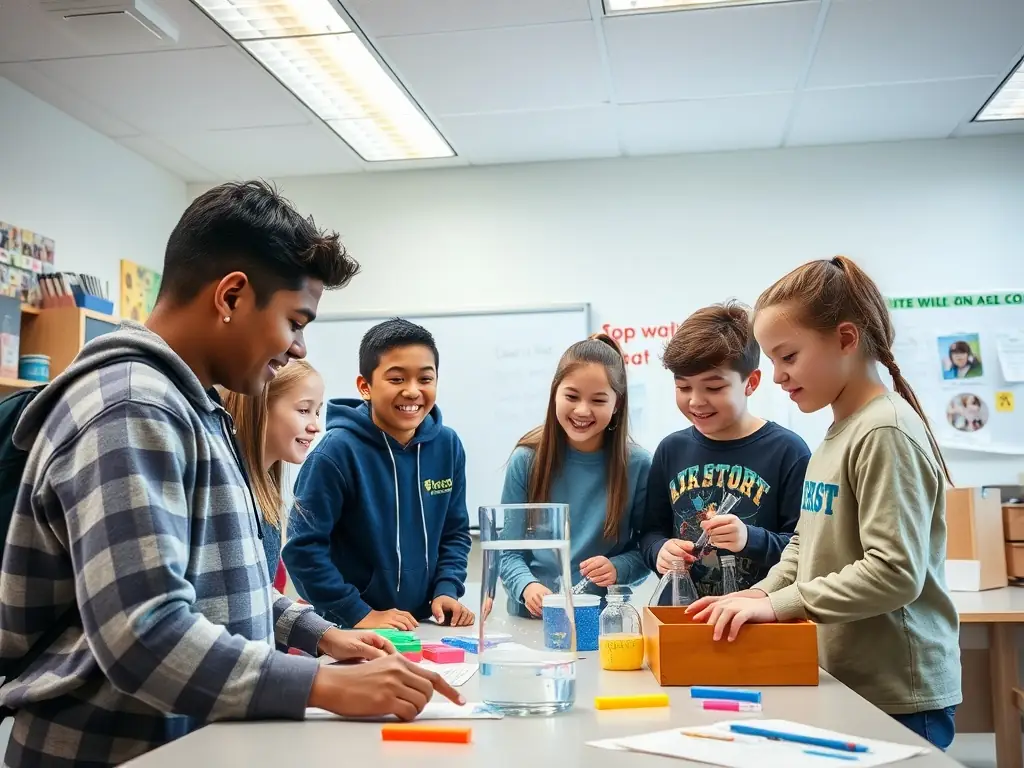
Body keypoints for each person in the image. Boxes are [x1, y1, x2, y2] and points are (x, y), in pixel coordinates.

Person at [0, 182, 462, 768]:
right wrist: (321, 685)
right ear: (233, 296)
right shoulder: (131, 407)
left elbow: (216, 586)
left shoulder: (195, 408)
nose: (298, 349)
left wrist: (321, 636)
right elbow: (144, 634)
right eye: (295, 321)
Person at [688, 256, 961, 750]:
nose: (776, 376)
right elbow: (803, 544)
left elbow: (894, 573)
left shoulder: (884, 432)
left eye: (788, 357)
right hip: (848, 678)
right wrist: (762, 594)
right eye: (771, 360)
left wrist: (780, 605)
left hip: (897, 693)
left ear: (846, 339)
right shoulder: (838, 432)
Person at [283, 318, 474, 630]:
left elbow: (454, 532)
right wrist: (358, 612)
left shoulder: (447, 445)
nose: (413, 391)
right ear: (365, 387)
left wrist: (446, 590)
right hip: (350, 628)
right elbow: (304, 549)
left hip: (422, 625)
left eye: (425, 379)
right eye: (397, 379)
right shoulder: (336, 452)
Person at [639, 301, 810, 598]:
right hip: (685, 618)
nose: (695, 401)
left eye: (714, 388)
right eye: (683, 387)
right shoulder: (671, 450)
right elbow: (649, 533)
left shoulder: (788, 451)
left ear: (751, 383)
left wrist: (749, 538)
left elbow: (807, 550)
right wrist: (659, 551)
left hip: (760, 625)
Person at [498, 333, 652, 618]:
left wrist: (618, 568)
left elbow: (648, 550)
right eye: (571, 396)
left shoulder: (639, 465)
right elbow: (508, 553)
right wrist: (527, 586)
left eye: (598, 400)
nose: (582, 410)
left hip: (603, 621)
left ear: (617, 404)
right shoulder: (526, 460)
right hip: (531, 622)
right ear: (554, 392)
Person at [221, 358, 324, 587]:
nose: (315, 425)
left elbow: (264, 596)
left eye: (317, 412)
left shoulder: (266, 492)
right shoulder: (229, 492)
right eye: (304, 410)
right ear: (261, 405)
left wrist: (313, 624)